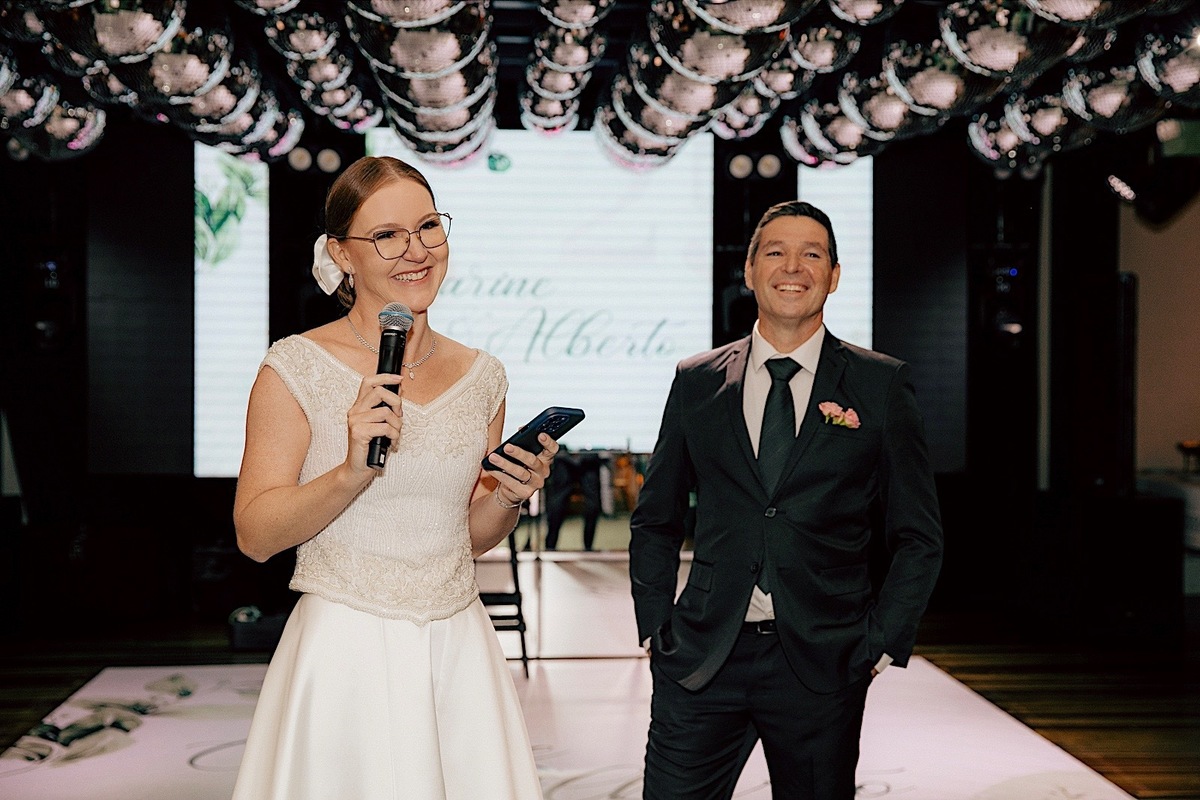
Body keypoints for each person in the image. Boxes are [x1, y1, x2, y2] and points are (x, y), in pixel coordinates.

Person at [230, 155, 550, 799]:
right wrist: (351, 472)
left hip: (458, 646)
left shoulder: (482, 375)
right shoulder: (295, 367)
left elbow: (462, 535)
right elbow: (256, 536)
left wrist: (510, 498)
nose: (416, 250)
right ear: (342, 255)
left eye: (429, 227)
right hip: (343, 650)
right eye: (387, 235)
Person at [629, 200, 944, 799]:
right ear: (748, 271)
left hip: (824, 664)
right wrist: (655, 630)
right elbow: (656, 519)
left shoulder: (880, 385)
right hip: (701, 659)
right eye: (775, 252)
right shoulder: (697, 381)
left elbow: (918, 535)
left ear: (834, 275)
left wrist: (879, 646)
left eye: (812, 254)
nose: (792, 267)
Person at [543, 446, 602, 551]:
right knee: (557, 504)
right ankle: (550, 547)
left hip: (588, 455)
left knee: (593, 506)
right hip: (563, 454)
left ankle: (589, 548)